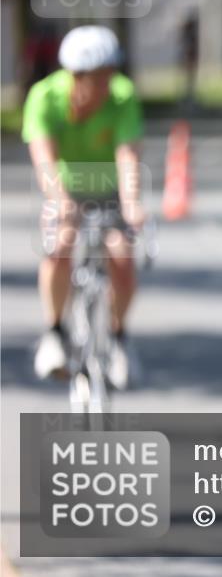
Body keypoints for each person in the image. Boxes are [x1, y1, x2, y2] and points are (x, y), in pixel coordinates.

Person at [22, 25, 145, 389]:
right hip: (64, 190)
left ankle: (120, 339)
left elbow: (128, 156)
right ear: (76, 76)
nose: (108, 83)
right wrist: (61, 203)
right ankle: (55, 333)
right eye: (99, 77)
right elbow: (44, 159)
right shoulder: (44, 97)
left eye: (111, 73)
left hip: (109, 192)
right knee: (60, 246)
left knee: (122, 259)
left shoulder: (123, 97)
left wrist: (132, 203)